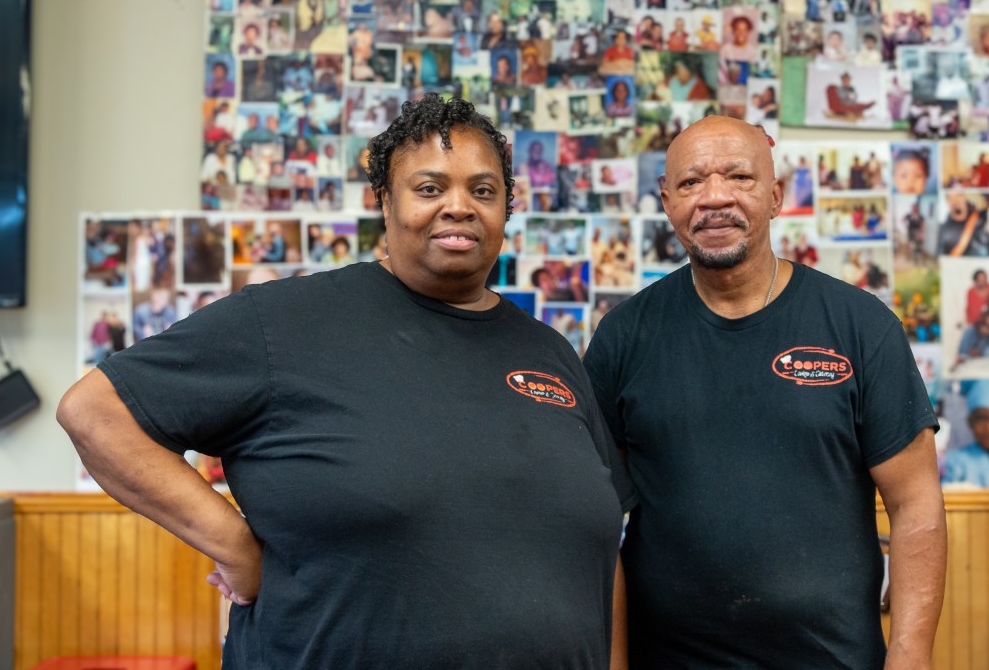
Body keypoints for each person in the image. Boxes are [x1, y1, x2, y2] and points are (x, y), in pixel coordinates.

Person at [57, 95, 633, 669]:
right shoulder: (282, 322)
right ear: (384, 200)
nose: (459, 206)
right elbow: (96, 412)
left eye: (483, 190)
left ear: (507, 207)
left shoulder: (550, 354)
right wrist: (234, 547)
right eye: (429, 188)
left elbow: (600, 552)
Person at [583, 116, 945, 668]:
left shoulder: (861, 326)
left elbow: (915, 503)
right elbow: (594, 514)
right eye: (691, 182)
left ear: (775, 196)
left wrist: (911, 655)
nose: (715, 198)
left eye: (739, 177)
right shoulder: (623, 337)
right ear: (667, 202)